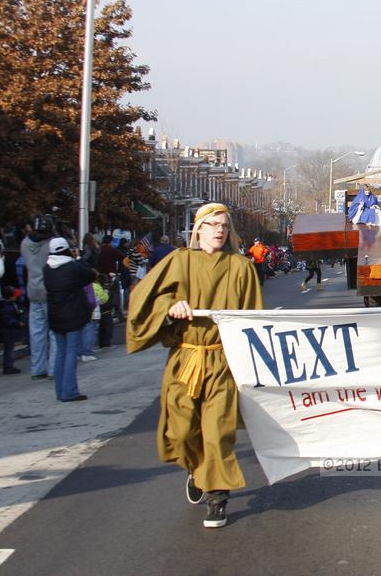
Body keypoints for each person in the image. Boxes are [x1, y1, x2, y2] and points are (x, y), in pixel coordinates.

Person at [127, 203, 263, 529]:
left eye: (224, 225)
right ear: (198, 228)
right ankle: (196, 467)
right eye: (213, 224)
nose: (219, 230)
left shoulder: (241, 267)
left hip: (222, 359)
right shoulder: (179, 260)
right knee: (181, 429)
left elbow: (255, 317)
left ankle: (217, 496)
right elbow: (144, 297)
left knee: (218, 431)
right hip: (186, 358)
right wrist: (170, 306)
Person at [44, 237, 96, 402]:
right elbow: (89, 275)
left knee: (61, 352)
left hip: (55, 315)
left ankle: (60, 390)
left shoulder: (47, 269)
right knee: (71, 353)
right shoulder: (73, 267)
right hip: (73, 314)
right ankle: (70, 391)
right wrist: (79, 258)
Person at [20, 219, 57, 380]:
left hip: (33, 291)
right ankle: (54, 368)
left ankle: (37, 368)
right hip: (49, 291)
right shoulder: (50, 245)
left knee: (36, 333)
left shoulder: (25, 244)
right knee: (55, 332)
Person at [0, 285, 24, 374]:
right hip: (7, 331)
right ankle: (8, 367)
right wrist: (17, 323)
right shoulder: (5, 306)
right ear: (10, 297)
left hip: (9, 331)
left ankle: (9, 366)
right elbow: (8, 320)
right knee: (9, 350)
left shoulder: (10, 303)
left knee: (10, 349)